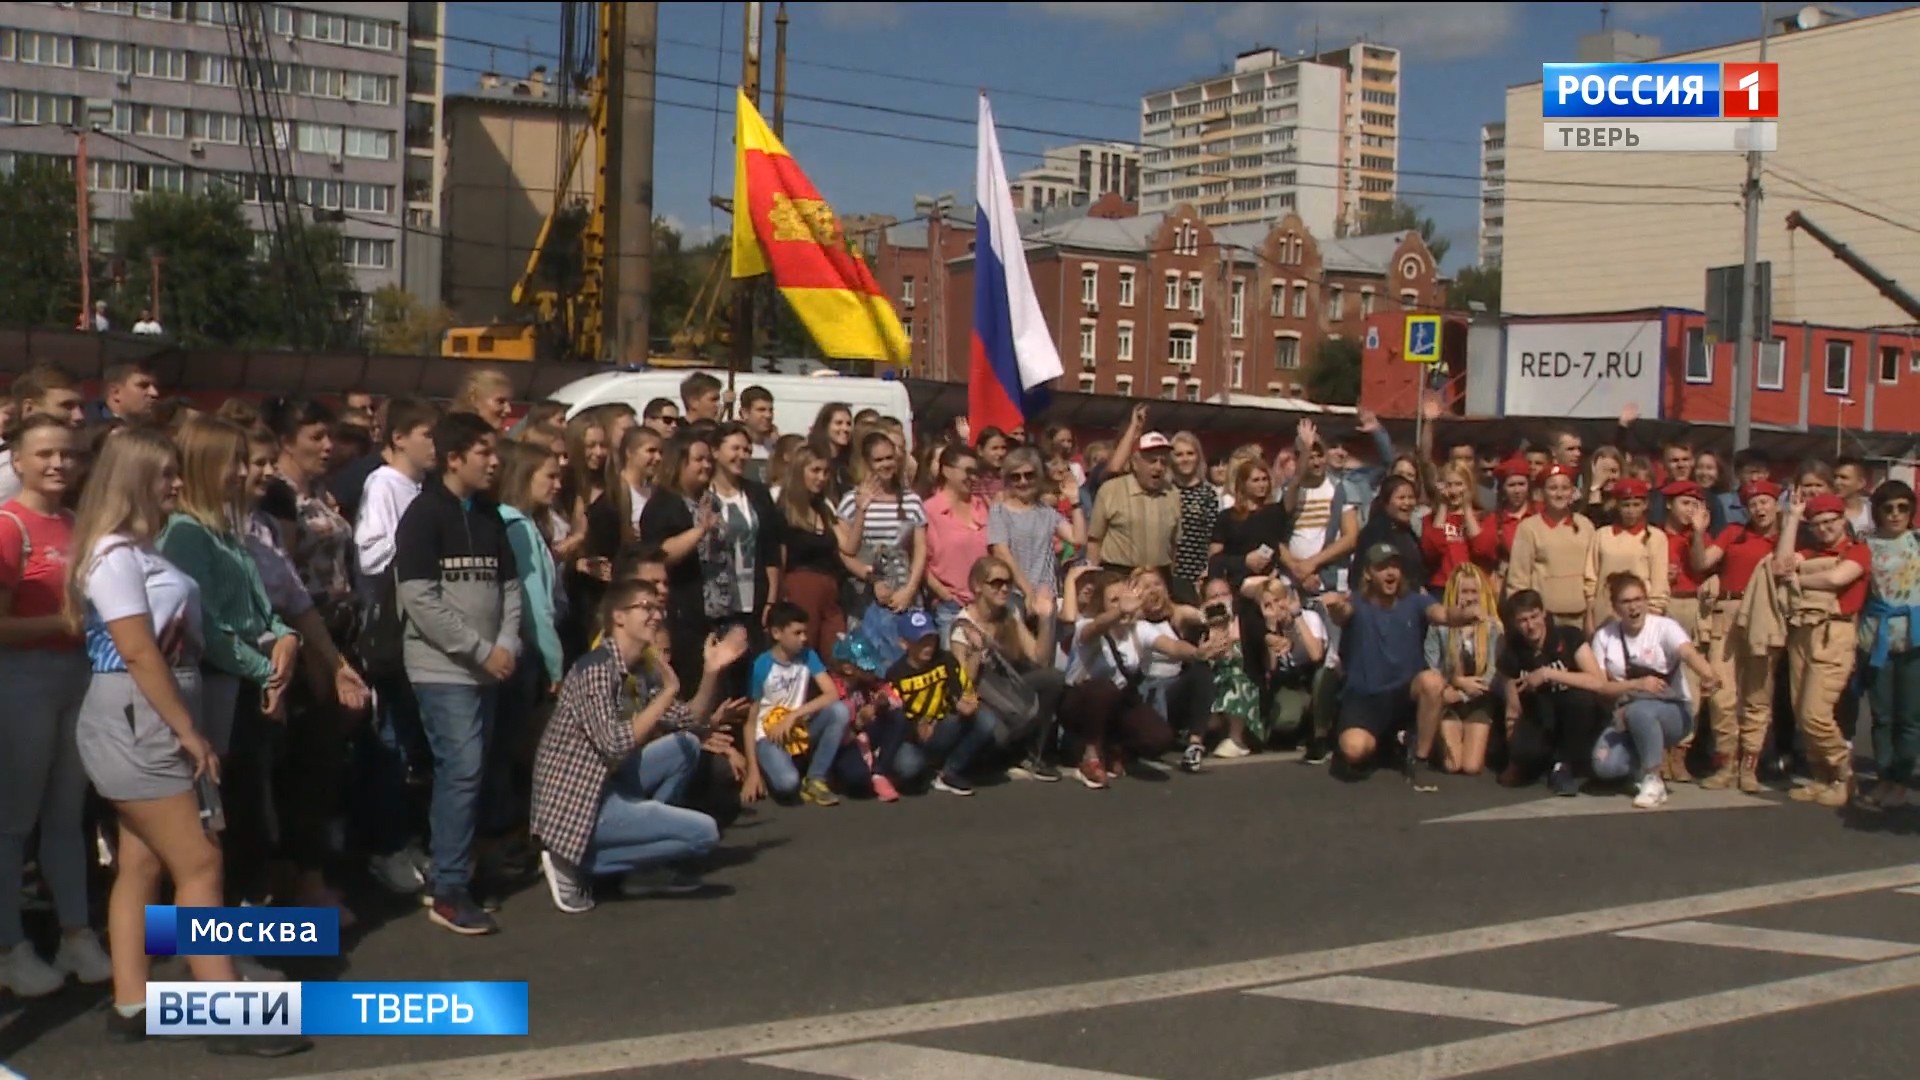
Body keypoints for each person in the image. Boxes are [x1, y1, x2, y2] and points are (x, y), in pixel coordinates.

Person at [69, 429, 311, 1056]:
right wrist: (187, 731)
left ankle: (133, 1000)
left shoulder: (138, 549)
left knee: (143, 862)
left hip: (146, 709)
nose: (176, 483)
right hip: (140, 712)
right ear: (132, 481)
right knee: (201, 862)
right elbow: (138, 651)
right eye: (164, 475)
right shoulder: (113, 555)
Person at [532, 579, 749, 913]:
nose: (656, 615)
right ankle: (574, 860)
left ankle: (637, 867)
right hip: (578, 802)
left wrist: (710, 672)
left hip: (609, 784)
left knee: (686, 745)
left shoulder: (640, 668)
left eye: (658, 608)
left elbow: (690, 718)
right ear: (618, 617)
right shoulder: (596, 668)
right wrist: (666, 693)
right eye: (645, 607)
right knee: (703, 833)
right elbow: (615, 744)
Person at [394, 412, 523, 935]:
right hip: (442, 668)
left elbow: (510, 588)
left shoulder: (490, 516)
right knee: (462, 768)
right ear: (453, 459)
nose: (494, 463)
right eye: (483, 453)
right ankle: (447, 887)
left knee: (475, 770)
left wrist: (507, 642)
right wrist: (477, 649)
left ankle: (464, 869)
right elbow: (420, 599)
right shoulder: (423, 516)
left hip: (489, 665)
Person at [0, 417, 111, 997]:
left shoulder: (74, 522)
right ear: (17, 461)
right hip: (23, 679)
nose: (58, 464)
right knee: (13, 821)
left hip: (77, 675)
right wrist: (62, 623)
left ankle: (75, 934)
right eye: (44, 454)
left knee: (67, 816)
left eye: (67, 455)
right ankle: (9, 948)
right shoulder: (7, 525)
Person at [1323, 543, 1482, 773]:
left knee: (1432, 681)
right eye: (1383, 567)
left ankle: (1419, 758)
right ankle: (1385, 744)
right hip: (1365, 698)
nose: (1390, 573)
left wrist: (1464, 615)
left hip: (1405, 695)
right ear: (1368, 573)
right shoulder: (1356, 603)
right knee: (1354, 750)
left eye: (1395, 567)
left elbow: (1444, 614)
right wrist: (1335, 606)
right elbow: (1341, 614)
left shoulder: (1415, 601)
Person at [1585, 572, 1720, 809]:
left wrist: (1707, 674)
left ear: (1647, 601)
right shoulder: (1605, 636)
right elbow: (1601, 687)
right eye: (1626, 602)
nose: (1634, 607)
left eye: (1638, 599)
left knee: (1640, 712)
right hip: (1624, 717)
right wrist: (1636, 684)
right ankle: (1641, 764)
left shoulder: (1664, 627)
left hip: (1674, 713)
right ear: (1615, 607)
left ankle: (1653, 779)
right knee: (1604, 766)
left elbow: (1688, 652)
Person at [1497, 589, 1606, 795]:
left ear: (1544, 614)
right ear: (1514, 623)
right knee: (1524, 754)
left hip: (1573, 715)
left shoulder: (1568, 636)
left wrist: (1549, 674)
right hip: (1538, 716)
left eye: (1534, 617)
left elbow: (1597, 682)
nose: (1530, 625)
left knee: (1581, 700)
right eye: (1523, 620)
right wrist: (1514, 759)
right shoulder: (1513, 651)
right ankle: (1541, 762)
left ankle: (1563, 764)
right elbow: (1512, 706)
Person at [745, 601, 850, 806]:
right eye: (797, 633)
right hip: (770, 736)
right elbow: (750, 723)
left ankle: (815, 778)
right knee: (787, 784)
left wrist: (794, 715)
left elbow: (832, 693)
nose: (804, 638)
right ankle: (773, 768)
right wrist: (752, 773)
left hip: (797, 729)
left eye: (805, 632)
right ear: (777, 633)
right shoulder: (762, 665)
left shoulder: (808, 656)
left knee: (839, 711)